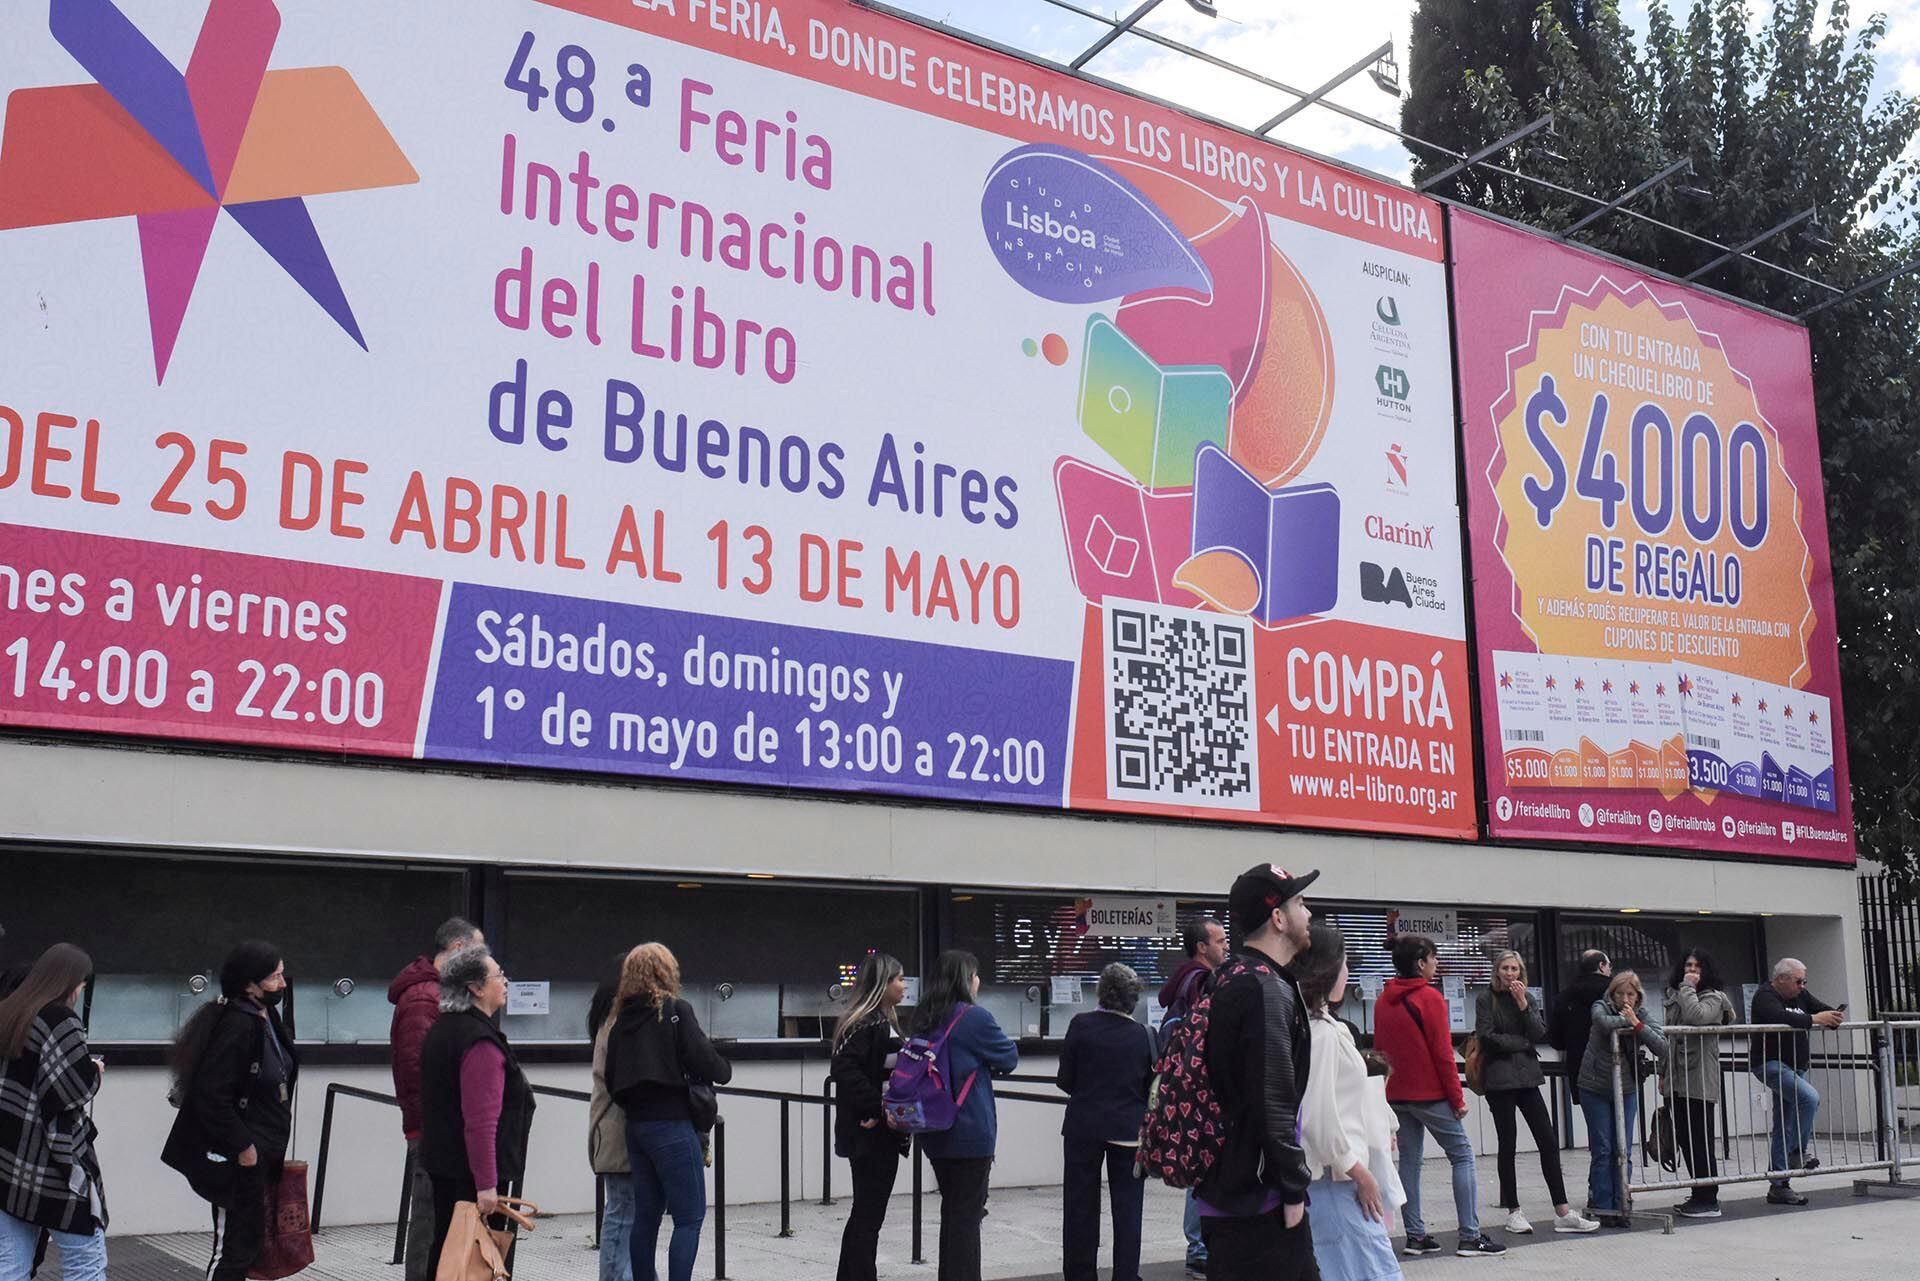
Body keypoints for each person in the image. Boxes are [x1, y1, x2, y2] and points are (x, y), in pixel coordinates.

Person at [1196, 864, 1320, 1281]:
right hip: (1258, 1203)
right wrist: (1292, 1188)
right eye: (1300, 902)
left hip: (1230, 1190)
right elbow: (1272, 1099)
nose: (1309, 913)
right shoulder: (1265, 989)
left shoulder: (1232, 976)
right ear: (1278, 918)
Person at [161, 941, 299, 1281]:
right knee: (233, 1248)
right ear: (250, 984)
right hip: (241, 1157)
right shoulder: (238, 1024)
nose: (283, 984)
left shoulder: (268, 1017)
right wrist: (244, 1147)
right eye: (275, 977)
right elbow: (211, 1094)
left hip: (265, 1148)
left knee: (247, 1242)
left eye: (283, 975)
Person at [606, 943, 732, 1281]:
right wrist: (722, 1066)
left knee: (646, 1217)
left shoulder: (621, 1022)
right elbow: (710, 1064)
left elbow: (611, 1078)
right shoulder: (675, 1011)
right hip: (673, 1126)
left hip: (637, 1128)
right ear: (666, 972)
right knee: (689, 1217)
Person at [1375, 935, 1502, 1258]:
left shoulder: (1382, 1000)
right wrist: (1457, 1098)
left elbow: (1382, 1052)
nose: (1436, 964)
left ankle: (1415, 1236)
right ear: (1420, 963)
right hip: (1429, 1094)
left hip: (1397, 1094)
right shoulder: (1428, 998)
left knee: (1410, 1163)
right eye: (1433, 958)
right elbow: (1442, 1053)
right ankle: (1470, 1237)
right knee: (1462, 1155)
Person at [1294, 923, 1403, 1281]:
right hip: (1335, 1181)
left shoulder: (1322, 1026)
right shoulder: (1321, 1033)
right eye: (1344, 963)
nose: (1348, 971)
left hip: (1336, 1179)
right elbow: (1316, 1117)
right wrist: (1361, 1173)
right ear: (1327, 968)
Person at [418, 945, 535, 1274]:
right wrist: (486, 1185)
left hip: (445, 1165)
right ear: (476, 988)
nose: (506, 981)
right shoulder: (478, 1041)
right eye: (499, 975)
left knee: (446, 1251)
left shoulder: (443, 1029)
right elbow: (481, 1122)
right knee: (471, 1260)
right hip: (470, 1175)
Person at [0, 944, 105, 1281]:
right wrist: (95, 1073)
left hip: (8, 1156)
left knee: (12, 1261)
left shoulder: (9, 1012)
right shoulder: (59, 1019)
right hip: (51, 1161)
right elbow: (71, 1089)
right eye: (81, 984)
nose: (80, 991)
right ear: (69, 980)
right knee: (86, 1257)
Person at [1474, 951, 1598, 1235]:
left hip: (1528, 1078)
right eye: (1505, 968)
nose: (1510, 974)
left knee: (1548, 1140)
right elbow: (1487, 1036)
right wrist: (1521, 1042)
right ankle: (1514, 1211)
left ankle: (1562, 1210)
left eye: (1515, 969)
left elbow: (1539, 1032)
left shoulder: (1526, 997)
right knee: (1508, 1144)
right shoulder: (1485, 998)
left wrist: (1522, 1005)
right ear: (1497, 971)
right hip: (1500, 1079)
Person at [913, 950, 1018, 1281]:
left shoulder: (925, 1015)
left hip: (933, 1128)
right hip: (970, 1132)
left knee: (954, 1212)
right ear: (964, 979)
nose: (978, 981)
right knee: (967, 1219)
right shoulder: (975, 1018)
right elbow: (1009, 1057)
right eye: (975, 975)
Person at [388, 916, 483, 1281]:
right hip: (432, 1127)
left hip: (440, 1125)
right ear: (458, 949)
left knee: (442, 1216)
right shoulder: (424, 997)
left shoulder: (439, 992)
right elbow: (417, 1068)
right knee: (428, 1219)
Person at [1058, 963, 1155, 1281]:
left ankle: (1079, 1274)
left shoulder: (1080, 1025)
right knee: (1128, 1209)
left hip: (1083, 1126)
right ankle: (1126, 1275)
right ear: (1133, 999)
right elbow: (1149, 1088)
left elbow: (1065, 1080)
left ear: (1101, 991)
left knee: (1079, 1205)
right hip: (1128, 1130)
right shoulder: (1144, 1035)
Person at [830, 952, 909, 1281]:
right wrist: (876, 1109)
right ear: (883, 984)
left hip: (871, 1131)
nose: (904, 985)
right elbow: (845, 1071)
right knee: (869, 1216)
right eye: (899, 979)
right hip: (872, 1133)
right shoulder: (870, 1023)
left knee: (865, 1213)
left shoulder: (872, 1021)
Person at [1160, 918, 1227, 1278]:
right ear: (1202, 947)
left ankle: (1199, 1247)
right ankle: (1199, 1249)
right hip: (1202, 1088)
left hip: (1188, 1088)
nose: (1226, 946)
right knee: (1205, 1167)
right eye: (1220, 941)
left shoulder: (1182, 981)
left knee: (1202, 1166)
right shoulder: (1201, 982)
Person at [1750, 957, 1842, 1207]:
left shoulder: (1801, 995)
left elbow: (1824, 1011)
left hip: (1795, 1066)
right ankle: (1797, 1152)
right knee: (1809, 1097)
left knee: (1784, 1124)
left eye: (1804, 981)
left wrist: (1832, 1016)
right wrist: (1815, 1019)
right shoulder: (1765, 995)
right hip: (1771, 1063)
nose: (1802, 986)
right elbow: (1778, 1017)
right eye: (1798, 981)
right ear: (1781, 978)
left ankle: (1779, 1185)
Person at [1576, 970, 1665, 1217]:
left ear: (1638, 996)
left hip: (1626, 1088)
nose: (1625, 1000)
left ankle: (1622, 1202)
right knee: (1603, 1147)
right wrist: (1630, 1021)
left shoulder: (1642, 1014)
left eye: (1630, 994)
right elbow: (1604, 1024)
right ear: (1612, 995)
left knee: (1622, 1147)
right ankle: (1603, 1205)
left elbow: (1662, 1045)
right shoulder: (1600, 1006)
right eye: (1620, 994)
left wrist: (1638, 1025)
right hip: (1594, 1087)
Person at [1664, 948, 1734, 1218]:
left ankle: (1708, 1198)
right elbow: (1669, 1038)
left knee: (1700, 1139)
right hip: (1676, 1079)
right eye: (1687, 966)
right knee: (1684, 1137)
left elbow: (1696, 1017)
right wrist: (1663, 1074)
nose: (1691, 970)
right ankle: (1697, 1192)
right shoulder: (1676, 996)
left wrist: (1688, 988)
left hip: (1699, 1080)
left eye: (1696, 966)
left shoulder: (1713, 998)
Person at [590, 954, 635, 1281]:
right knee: (621, 1216)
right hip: (617, 1134)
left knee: (622, 1215)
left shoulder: (609, 1021)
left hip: (612, 1134)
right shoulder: (616, 1026)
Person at [1549, 950, 1612, 1091]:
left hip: (1581, 1069)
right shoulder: (1617, 992)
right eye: (1609, 966)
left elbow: (1556, 1041)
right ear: (1602, 966)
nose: (1610, 971)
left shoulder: (1564, 996)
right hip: (1616, 1068)